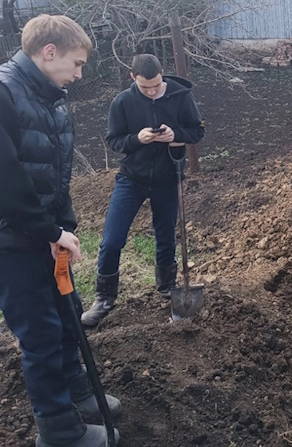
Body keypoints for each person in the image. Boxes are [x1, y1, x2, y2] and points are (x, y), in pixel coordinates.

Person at [0, 14, 122, 446]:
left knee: (67, 317)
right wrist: (48, 231)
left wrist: (62, 228)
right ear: (49, 53)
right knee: (41, 334)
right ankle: (59, 430)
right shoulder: (0, 93)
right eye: (77, 63)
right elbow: (3, 179)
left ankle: (77, 397)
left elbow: (56, 172)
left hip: (40, 235)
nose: (79, 74)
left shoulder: (50, 96)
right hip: (7, 241)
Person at [81, 54, 205, 327]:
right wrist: (137, 139)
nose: (151, 91)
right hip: (132, 179)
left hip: (168, 178)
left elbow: (197, 131)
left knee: (165, 237)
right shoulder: (123, 102)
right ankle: (104, 298)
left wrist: (177, 136)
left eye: (156, 85)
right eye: (144, 87)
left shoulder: (180, 96)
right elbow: (114, 141)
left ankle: (166, 288)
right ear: (132, 79)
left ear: (163, 75)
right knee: (112, 239)